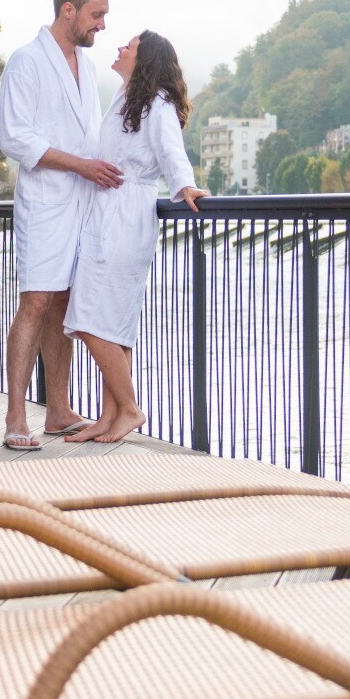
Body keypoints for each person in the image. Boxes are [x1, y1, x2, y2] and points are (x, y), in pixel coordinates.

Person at [0, 0, 122, 450]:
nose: (102, 25)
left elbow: (92, 136)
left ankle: (58, 410)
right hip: (46, 203)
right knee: (35, 302)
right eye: (96, 14)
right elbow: (15, 137)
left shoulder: (86, 69)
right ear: (68, 10)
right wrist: (81, 166)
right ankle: (14, 417)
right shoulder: (27, 62)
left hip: (83, 203)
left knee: (65, 303)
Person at [65, 31, 207, 443]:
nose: (120, 49)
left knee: (90, 317)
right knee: (112, 320)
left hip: (126, 216)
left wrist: (186, 187)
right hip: (110, 211)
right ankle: (109, 416)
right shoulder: (127, 97)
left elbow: (170, 150)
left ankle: (129, 408)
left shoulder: (156, 102)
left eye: (129, 46)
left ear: (143, 59)